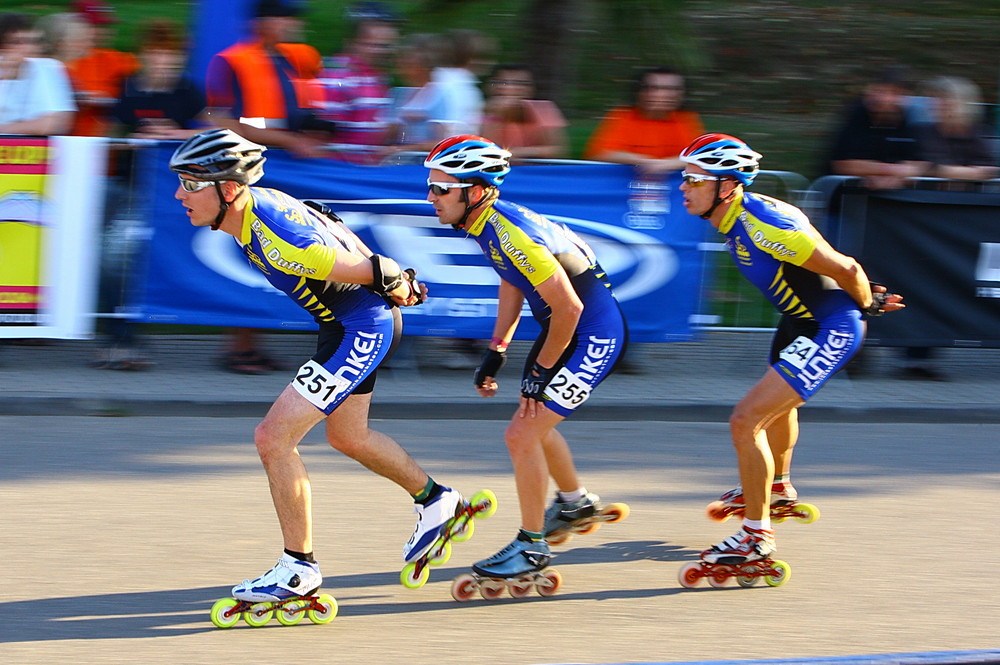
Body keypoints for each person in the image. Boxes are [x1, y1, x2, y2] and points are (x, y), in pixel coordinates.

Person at [169, 128, 470, 604]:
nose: (178, 194)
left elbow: (375, 270)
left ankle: (297, 570)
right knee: (348, 437)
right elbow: (335, 229)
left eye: (190, 183)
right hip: (347, 324)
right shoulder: (261, 204)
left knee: (273, 437)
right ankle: (438, 501)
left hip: (360, 328)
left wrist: (402, 285)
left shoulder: (276, 239)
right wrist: (392, 285)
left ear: (228, 189)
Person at [678, 133, 904, 565]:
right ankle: (777, 485)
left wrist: (868, 303)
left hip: (827, 326)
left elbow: (846, 267)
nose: (684, 187)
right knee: (777, 409)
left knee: (745, 422)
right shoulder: (736, 216)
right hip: (800, 319)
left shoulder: (762, 222)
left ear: (726, 186)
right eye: (685, 177)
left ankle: (755, 538)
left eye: (695, 179)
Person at [424, 135, 628, 579]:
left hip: (591, 333)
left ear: (474, 191)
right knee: (533, 422)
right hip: (567, 326)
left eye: (441, 189)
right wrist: (497, 350)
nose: (431, 197)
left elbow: (570, 307)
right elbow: (511, 280)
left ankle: (531, 548)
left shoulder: (506, 228)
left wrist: (540, 370)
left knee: (521, 434)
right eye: (431, 186)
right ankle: (576, 505)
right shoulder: (487, 223)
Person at [204, 0, 334, 373]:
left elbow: (309, 113)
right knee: (250, 252)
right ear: (261, 22)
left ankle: (255, 344)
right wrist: (289, 140)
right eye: (283, 16)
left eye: (293, 17)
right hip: (248, 169)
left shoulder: (299, 58)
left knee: (285, 255)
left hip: (290, 168)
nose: (291, 24)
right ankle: (239, 347)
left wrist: (314, 133)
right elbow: (221, 120)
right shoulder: (231, 60)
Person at [315, 1, 398, 164]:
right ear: (352, 42)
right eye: (374, 45)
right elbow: (319, 136)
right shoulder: (337, 76)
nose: (381, 51)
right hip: (342, 171)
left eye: (387, 46)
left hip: (366, 171)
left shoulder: (377, 77)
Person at [583, 66, 704, 174]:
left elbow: (700, 156)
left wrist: (665, 165)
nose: (667, 94)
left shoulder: (686, 119)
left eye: (674, 89)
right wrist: (643, 162)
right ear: (641, 93)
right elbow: (600, 153)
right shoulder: (622, 116)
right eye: (657, 88)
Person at [112, 18, 207, 140]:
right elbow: (111, 132)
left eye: (167, 53)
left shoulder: (187, 89)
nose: (159, 61)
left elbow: (221, 128)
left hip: (172, 156)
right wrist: (128, 141)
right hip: (134, 155)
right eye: (153, 53)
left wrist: (179, 134)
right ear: (141, 55)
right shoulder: (127, 87)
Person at [65, 0, 139, 137]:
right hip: (67, 142)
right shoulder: (62, 61)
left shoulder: (120, 60)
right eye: (96, 25)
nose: (103, 31)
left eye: (105, 25)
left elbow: (142, 89)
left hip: (108, 144)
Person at [0, 12, 76, 136]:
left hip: (35, 149)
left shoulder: (48, 67)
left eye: (31, 41)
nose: (27, 48)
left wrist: (3, 129)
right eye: (16, 42)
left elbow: (53, 124)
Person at [481, 63, 568, 161]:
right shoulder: (487, 111)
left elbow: (557, 150)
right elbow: (486, 150)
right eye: (503, 82)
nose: (509, 88)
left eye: (518, 83)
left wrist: (518, 152)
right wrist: (495, 116)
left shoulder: (543, 109)